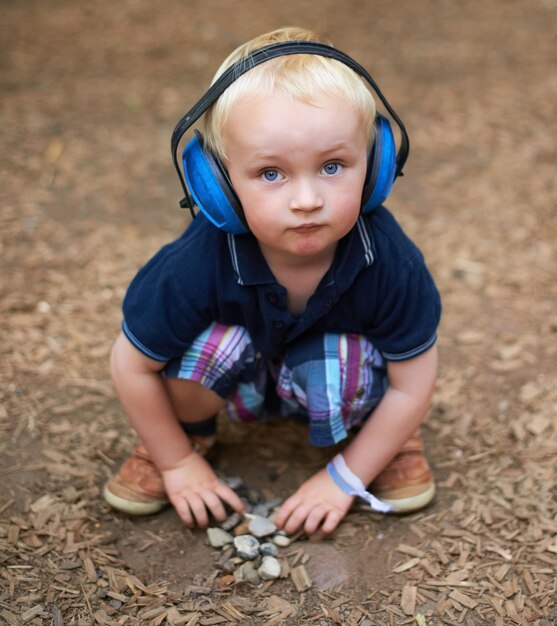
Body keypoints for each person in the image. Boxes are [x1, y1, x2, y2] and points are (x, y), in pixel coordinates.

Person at [103, 26, 442, 537]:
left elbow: (412, 384)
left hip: (330, 379)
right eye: (270, 174)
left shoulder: (388, 261)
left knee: (365, 367)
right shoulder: (197, 262)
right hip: (242, 377)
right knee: (197, 354)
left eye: (332, 166)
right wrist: (174, 462)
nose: (306, 199)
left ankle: (382, 442)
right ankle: (186, 438)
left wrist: (344, 479)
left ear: (376, 167)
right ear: (217, 184)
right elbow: (131, 366)